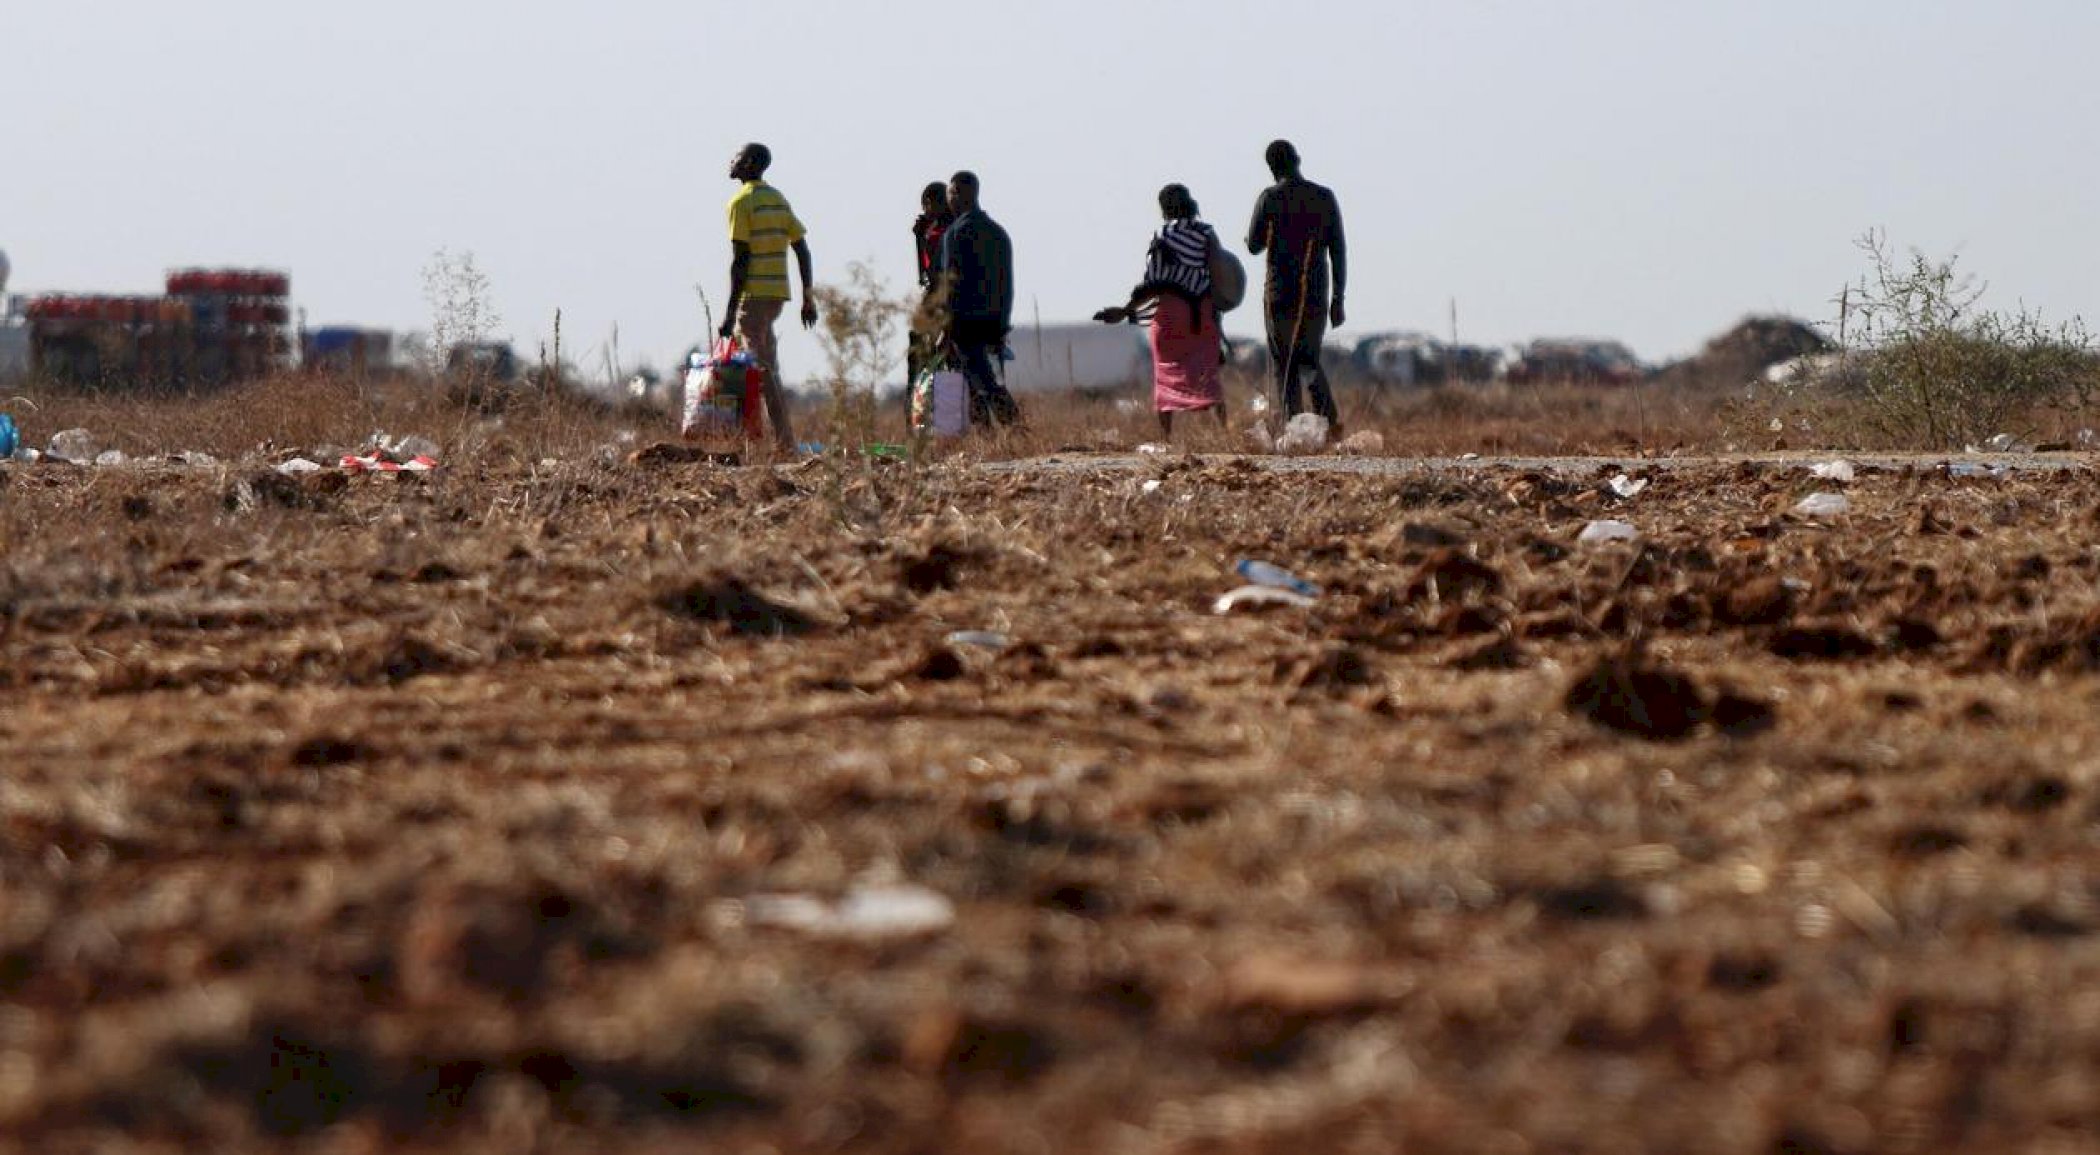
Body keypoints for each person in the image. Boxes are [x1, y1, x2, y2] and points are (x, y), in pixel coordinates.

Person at [1093, 184, 1227, 441]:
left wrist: (1125, 310)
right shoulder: (1206, 233)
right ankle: (1224, 434)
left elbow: (1152, 283)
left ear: (1164, 208)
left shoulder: (1162, 235)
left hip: (1170, 316)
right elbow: (1220, 276)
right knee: (1208, 376)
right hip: (1200, 315)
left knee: (1165, 377)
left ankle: (1167, 439)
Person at [1246, 139, 1348, 436]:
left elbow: (1254, 245)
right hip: (1315, 292)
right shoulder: (1324, 197)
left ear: (1271, 168)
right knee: (1308, 359)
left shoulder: (1269, 198)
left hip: (1278, 294)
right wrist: (1338, 298)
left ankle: (1295, 428)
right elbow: (1338, 251)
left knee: (1284, 364)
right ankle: (1328, 422)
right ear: (1298, 159)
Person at [719, 142, 817, 450]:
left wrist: (729, 313)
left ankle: (776, 441)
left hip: (754, 296)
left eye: (737, 157)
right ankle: (780, 440)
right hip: (776, 295)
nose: (731, 161)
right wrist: (807, 297)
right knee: (766, 366)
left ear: (749, 163)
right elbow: (802, 249)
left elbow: (740, 261)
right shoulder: (777, 199)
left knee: (759, 369)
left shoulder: (741, 202)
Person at [936, 170, 1021, 428]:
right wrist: (1003, 324)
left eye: (950, 194)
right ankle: (992, 438)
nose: (948, 200)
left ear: (958, 194)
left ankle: (1013, 427)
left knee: (982, 383)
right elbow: (1007, 283)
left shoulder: (955, 233)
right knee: (983, 381)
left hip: (965, 324)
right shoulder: (998, 233)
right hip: (995, 322)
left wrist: (945, 329)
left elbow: (949, 285)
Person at [908, 182, 953, 386]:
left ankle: (916, 385)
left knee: (919, 339)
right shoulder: (938, 228)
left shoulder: (944, 229)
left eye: (926, 206)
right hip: (939, 292)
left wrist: (923, 236)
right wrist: (920, 236)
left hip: (943, 294)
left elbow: (932, 269)